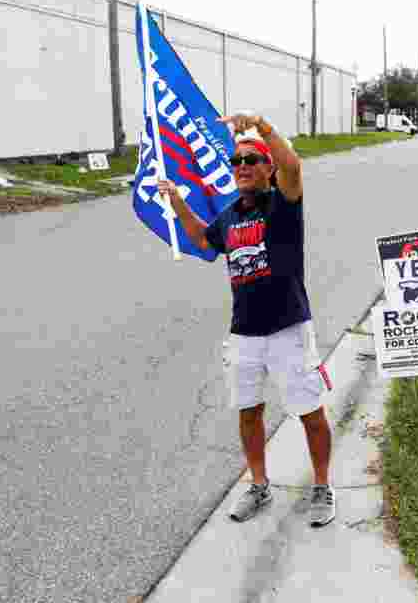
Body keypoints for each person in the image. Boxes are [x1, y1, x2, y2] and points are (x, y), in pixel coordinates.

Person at [157, 113, 335, 528]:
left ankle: (322, 486)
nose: (242, 167)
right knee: (248, 412)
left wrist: (260, 125)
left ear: (267, 167)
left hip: (289, 328)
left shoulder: (284, 203)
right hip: (244, 334)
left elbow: (294, 166)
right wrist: (177, 202)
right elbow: (204, 239)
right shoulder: (232, 213)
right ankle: (259, 484)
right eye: (237, 161)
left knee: (309, 411)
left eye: (252, 160)